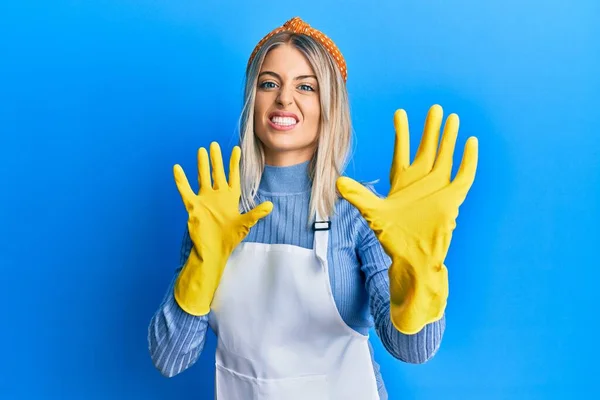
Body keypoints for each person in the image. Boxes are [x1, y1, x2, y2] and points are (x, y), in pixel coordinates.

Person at [148, 16, 478, 400]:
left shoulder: (359, 215)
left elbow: (412, 350)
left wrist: (419, 273)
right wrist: (201, 266)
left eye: (306, 86)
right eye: (269, 83)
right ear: (252, 100)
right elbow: (168, 358)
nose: (284, 99)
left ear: (329, 106)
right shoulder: (218, 212)